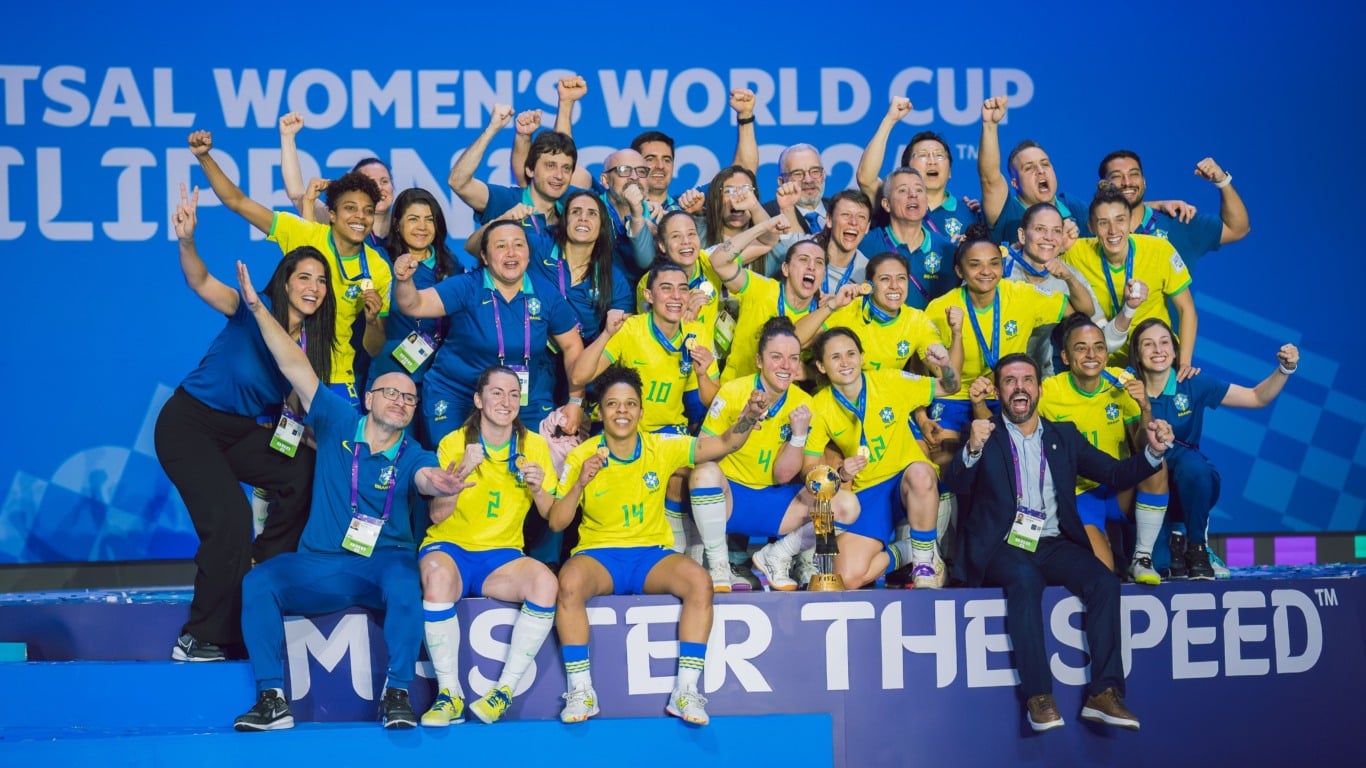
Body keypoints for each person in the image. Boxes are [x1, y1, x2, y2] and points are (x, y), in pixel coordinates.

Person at [231, 261, 470, 732]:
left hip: (384, 563)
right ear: (368, 397)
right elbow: (292, 364)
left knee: (407, 582)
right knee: (258, 583)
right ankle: (272, 699)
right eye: (391, 394)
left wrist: (438, 484)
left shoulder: (415, 452)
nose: (401, 402)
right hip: (320, 562)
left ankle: (397, 693)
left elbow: (425, 479)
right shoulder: (338, 420)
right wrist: (259, 309)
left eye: (409, 399)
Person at [942, 352, 1175, 733]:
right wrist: (972, 448)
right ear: (999, 391)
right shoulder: (986, 434)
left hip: (1051, 541)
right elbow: (956, 485)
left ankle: (1105, 693)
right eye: (1010, 381)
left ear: (1038, 388)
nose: (1020, 387)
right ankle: (1040, 697)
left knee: (1104, 581)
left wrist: (1153, 452)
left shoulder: (1063, 436)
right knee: (1025, 578)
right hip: (1002, 545)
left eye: (1027, 380)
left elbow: (1114, 472)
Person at [155, 185, 335, 663]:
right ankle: (199, 636)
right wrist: (187, 241)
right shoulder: (253, 307)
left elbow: (299, 413)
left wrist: (338, 450)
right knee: (230, 521)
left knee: (302, 469)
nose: (313, 286)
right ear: (285, 280)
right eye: (304, 277)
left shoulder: (308, 347)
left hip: (240, 432)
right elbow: (200, 282)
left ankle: (263, 574)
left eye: (321, 279)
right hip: (189, 425)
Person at [549, 365, 769, 726]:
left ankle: (686, 691)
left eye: (630, 403)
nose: (622, 410)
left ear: (640, 410)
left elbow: (725, 443)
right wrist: (580, 483)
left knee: (700, 581)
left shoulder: (661, 446)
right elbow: (557, 522)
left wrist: (747, 417)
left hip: (651, 555)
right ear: (600, 411)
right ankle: (581, 690)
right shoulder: (581, 456)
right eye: (613, 404)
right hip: (599, 557)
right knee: (569, 583)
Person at [189, 129, 390, 410]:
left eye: (368, 211)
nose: (360, 217)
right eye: (350, 208)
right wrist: (205, 157)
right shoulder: (304, 234)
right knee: (278, 452)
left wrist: (371, 321)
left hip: (334, 378)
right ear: (331, 214)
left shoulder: (379, 269)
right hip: (282, 373)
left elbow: (375, 347)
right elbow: (238, 202)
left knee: (343, 453)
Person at [418, 365, 560, 726]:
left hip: (502, 557)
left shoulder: (535, 447)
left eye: (513, 394)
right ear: (479, 400)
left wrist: (539, 488)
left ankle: (502, 693)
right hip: (450, 548)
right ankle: (449, 694)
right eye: (496, 393)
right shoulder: (453, 443)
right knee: (435, 579)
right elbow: (436, 516)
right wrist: (460, 473)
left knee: (546, 582)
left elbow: (552, 515)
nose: (506, 401)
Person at [689, 317, 860, 591]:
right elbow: (701, 452)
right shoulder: (734, 391)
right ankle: (719, 566)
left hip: (775, 505)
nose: (786, 366)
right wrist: (743, 423)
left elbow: (783, 474)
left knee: (846, 505)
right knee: (704, 474)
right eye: (776, 357)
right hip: (730, 498)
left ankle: (778, 555)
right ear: (759, 360)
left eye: (793, 358)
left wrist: (799, 434)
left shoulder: (803, 403)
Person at [1129, 319, 1299, 580]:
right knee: (1161, 567)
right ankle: (1172, 544)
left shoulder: (1193, 383)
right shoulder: (1127, 389)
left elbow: (1256, 397)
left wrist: (1285, 369)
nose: (1158, 350)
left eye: (1164, 343)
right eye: (1148, 344)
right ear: (1137, 354)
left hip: (1189, 481)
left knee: (1195, 466)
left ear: (1175, 351)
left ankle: (1197, 547)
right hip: (1146, 491)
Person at [391, 220, 586, 443]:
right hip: (459, 392)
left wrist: (575, 401)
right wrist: (404, 281)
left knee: (528, 467)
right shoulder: (466, 286)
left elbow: (572, 345)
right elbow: (414, 305)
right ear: (484, 256)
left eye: (519, 245)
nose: (511, 252)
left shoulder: (546, 294)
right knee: (457, 466)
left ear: (528, 254)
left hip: (520, 397)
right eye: (501, 246)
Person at [805, 327, 961, 588]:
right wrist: (839, 475)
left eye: (851, 354)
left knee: (921, 472)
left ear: (862, 357)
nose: (845, 363)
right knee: (845, 578)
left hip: (907, 481)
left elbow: (950, 386)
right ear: (821, 366)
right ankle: (911, 549)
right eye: (835, 357)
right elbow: (809, 469)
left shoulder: (890, 380)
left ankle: (923, 563)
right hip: (870, 491)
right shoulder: (819, 405)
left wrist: (945, 365)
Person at [923, 224, 1090, 462]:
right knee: (942, 454)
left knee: (1011, 457)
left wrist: (1068, 277)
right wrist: (957, 333)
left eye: (994, 263)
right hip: (955, 396)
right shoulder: (939, 309)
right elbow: (941, 377)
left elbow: (1083, 310)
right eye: (975, 264)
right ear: (959, 271)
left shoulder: (1021, 295)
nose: (986, 271)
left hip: (1008, 393)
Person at [1038, 315, 1169, 584]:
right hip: (1081, 495)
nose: (1091, 354)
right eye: (1081, 348)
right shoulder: (1048, 391)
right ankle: (1105, 548)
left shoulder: (1121, 386)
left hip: (1120, 489)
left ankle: (1142, 557)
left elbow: (1145, 447)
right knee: (1103, 575)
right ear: (1064, 356)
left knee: (1157, 463)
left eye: (1099, 347)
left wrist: (1145, 407)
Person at [1060, 184, 1197, 370]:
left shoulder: (1160, 250)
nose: (1113, 230)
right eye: (1103, 223)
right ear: (1091, 227)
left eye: (1120, 220)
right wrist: (1059, 244)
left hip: (1155, 362)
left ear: (1131, 221)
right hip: (1102, 367)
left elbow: (1186, 309)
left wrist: (1184, 363)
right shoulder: (1075, 252)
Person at [367, 188, 463, 446]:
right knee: (394, 452)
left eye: (429, 219)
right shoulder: (381, 262)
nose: (422, 227)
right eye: (413, 219)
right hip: (394, 372)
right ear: (397, 224)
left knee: (437, 454)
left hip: (441, 377)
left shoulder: (452, 266)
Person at [794, 251, 957, 375]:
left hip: (882, 406)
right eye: (885, 279)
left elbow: (947, 377)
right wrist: (832, 305)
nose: (895, 286)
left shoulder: (917, 320)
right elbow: (793, 341)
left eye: (901, 278)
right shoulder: (849, 309)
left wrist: (954, 339)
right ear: (869, 285)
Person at [709, 220, 828, 385]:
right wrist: (762, 227)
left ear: (823, 275)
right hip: (736, 395)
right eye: (803, 259)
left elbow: (830, 369)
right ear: (785, 269)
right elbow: (718, 262)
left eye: (819, 263)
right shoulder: (760, 289)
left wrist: (809, 373)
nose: (811, 267)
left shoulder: (824, 314)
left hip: (783, 406)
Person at [1099, 150, 1250, 268]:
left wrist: (1222, 181)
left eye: (1134, 174)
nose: (1127, 182)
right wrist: (1157, 203)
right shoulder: (1093, 229)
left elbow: (1237, 229)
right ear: (1103, 186)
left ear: (1144, 182)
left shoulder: (1179, 222)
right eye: (1116, 176)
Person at [856, 97, 979, 241]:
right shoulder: (894, 200)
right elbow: (865, 178)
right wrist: (890, 120)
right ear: (906, 169)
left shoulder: (970, 213)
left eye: (939, 156)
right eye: (923, 155)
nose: (932, 161)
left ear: (950, 171)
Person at [976, 95, 1091, 246]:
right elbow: (989, 179)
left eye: (1045, 164)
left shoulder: (1074, 207)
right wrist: (990, 125)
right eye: (1029, 168)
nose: (1040, 171)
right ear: (1015, 183)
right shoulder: (1006, 210)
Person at [1003, 203, 1101, 376]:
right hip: (992, 370)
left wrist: (1069, 278)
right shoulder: (997, 267)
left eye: (1056, 231)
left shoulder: (1066, 273)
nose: (1049, 237)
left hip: (1041, 374)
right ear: (1022, 235)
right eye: (1040, 229)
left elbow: (1087, 313)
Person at [279, 112, 395, 252]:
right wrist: (288, 137)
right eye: (370, 182)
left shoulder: (407, 225)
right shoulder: (338, 219)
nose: (379, 188)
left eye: (384, 181)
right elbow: (296, 193)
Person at [540, 189, 633, 343]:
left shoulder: (613, 278)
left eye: (592, 214)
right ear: (564, 220)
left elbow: (620, 337)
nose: (583, 218)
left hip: (583, 356)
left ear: (602, 226)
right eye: (576, 212)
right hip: (534, 353)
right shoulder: (540, 248)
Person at [857, 167, 957, 310]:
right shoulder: (866, 245)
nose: (913, 195)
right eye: (902, 190)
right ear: (886, 204)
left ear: (927, 201)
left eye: (919, 190)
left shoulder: (949, 251)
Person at [762, 143, 832, 268]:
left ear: (824, 175)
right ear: (781, 182)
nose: (808, 180)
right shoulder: (767, 215)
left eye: (815, 171)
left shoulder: (839, 211)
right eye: (798, 174)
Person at [699, 166, 777, 267]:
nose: (738, 197)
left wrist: (754, 206)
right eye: (728, 191)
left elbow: (770, 237)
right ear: (716, 200)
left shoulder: (771, 248)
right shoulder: (697, 233)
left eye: (746, 191)